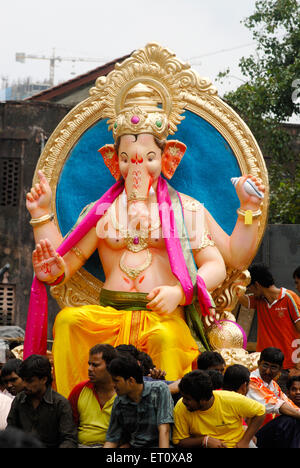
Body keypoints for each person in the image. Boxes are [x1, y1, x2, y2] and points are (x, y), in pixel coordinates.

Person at [25, 47, 265, 398]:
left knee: (168, 339)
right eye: (127, 158)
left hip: (163, 317)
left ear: (168, 158)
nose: (137, 166)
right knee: (68, 322)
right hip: (109, 311)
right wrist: (42, 219)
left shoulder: (186, 209)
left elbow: (220, 261)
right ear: (113, 160)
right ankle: (78, 412)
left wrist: (180, 291)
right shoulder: (101, 211)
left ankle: (165, 423)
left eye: (148, 157)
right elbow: (67, 263)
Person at [172, 370, 265, 448]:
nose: (184, 401)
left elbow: (261, 412)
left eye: (188, 399)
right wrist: (204, 440)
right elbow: (179, 441)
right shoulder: (181, 407)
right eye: (183, 397)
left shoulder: (230, 399)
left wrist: (245, 441)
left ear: (203, 400)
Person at [238, 264, 300, 382]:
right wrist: (234, 285)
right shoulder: (259, 300)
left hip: (287, 368)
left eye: (249, 287)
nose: (249, 290)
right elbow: (243, 300)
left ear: (256, 285)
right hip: (264, 368)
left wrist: (298, 366)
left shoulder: (289, 298)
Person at [7, 354, 77, 448]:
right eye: (23, 380)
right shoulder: (19, 400)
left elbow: (69, 439)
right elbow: (10, 431)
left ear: (44, 379)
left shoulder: (60, 404)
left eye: (29, 381)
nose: (24, 385)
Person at [103, 356, 174, 448]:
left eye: (116, 381)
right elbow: (112, 439)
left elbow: (164, 430)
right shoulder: (119, 401)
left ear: (131, 381)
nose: (113, 385)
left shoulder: (159, 390)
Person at [68, 343, 117, 448]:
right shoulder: (79, 390)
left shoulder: (123, 393)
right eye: (89, 364)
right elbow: (69, 428)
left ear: (110, 367)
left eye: (95, 365)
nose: (90, 369)